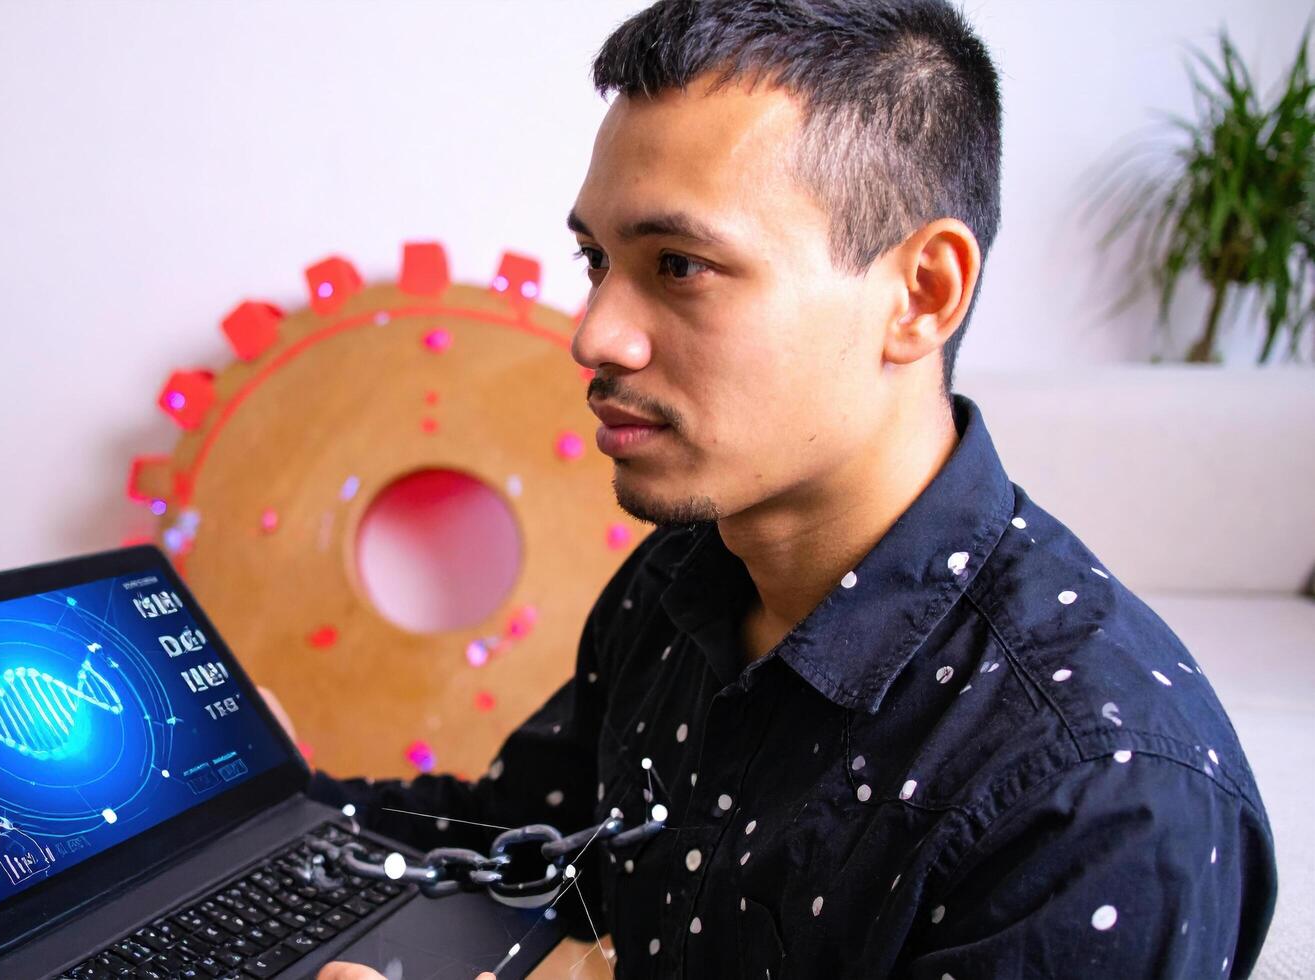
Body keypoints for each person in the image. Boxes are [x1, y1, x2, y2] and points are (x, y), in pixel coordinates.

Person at [282, 1, 1278, 976]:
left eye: (678, 265)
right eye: (595, 260)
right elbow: (525, 841)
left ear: (920, 294)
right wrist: (281, 805)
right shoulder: (681, 576)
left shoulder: (1097, 798)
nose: (594, 335)